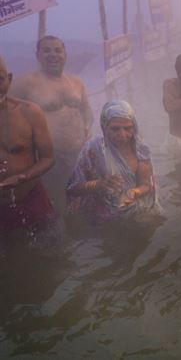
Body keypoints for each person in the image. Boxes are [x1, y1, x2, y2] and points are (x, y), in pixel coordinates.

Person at [10, 35, 93, 214]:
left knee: (81, 198)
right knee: (54, 202)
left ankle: (79, 236)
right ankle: (59, 239)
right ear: (37, 55)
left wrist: (87, 127)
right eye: (46, 50)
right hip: (50, 157)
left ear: (65, 54)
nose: (53, 54)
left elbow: (86, 110)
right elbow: (5, 112)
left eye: (57, 50)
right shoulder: (25, 83)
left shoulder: (76, 82)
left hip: (79, 152)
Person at [67, 100, 157, 219]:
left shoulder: (140, 150)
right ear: (104, 128)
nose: (122, 134)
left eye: (128, 128)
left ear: (134, 127)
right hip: (100, 216)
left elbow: (146, 185)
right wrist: (99, 184)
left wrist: (134, 192)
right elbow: (73, 189)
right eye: (115, 129)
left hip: (134, 212)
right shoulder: (93, 150)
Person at [0, 57, 56, 234]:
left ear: (9, 78)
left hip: (31, 196)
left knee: (50, 250)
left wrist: (22, 177)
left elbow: (48, 158)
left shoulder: (29, 112)